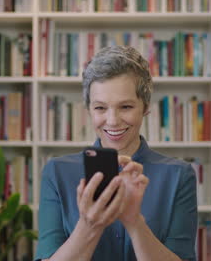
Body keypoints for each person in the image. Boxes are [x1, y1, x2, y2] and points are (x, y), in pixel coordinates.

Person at [35, 46, 198, 261]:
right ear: (89, 109)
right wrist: (88, 225)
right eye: (100, 108)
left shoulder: (179, 176)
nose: (112, 121)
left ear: (146, 106)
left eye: (126, 107)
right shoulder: (56, 173)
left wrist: (134, 222)